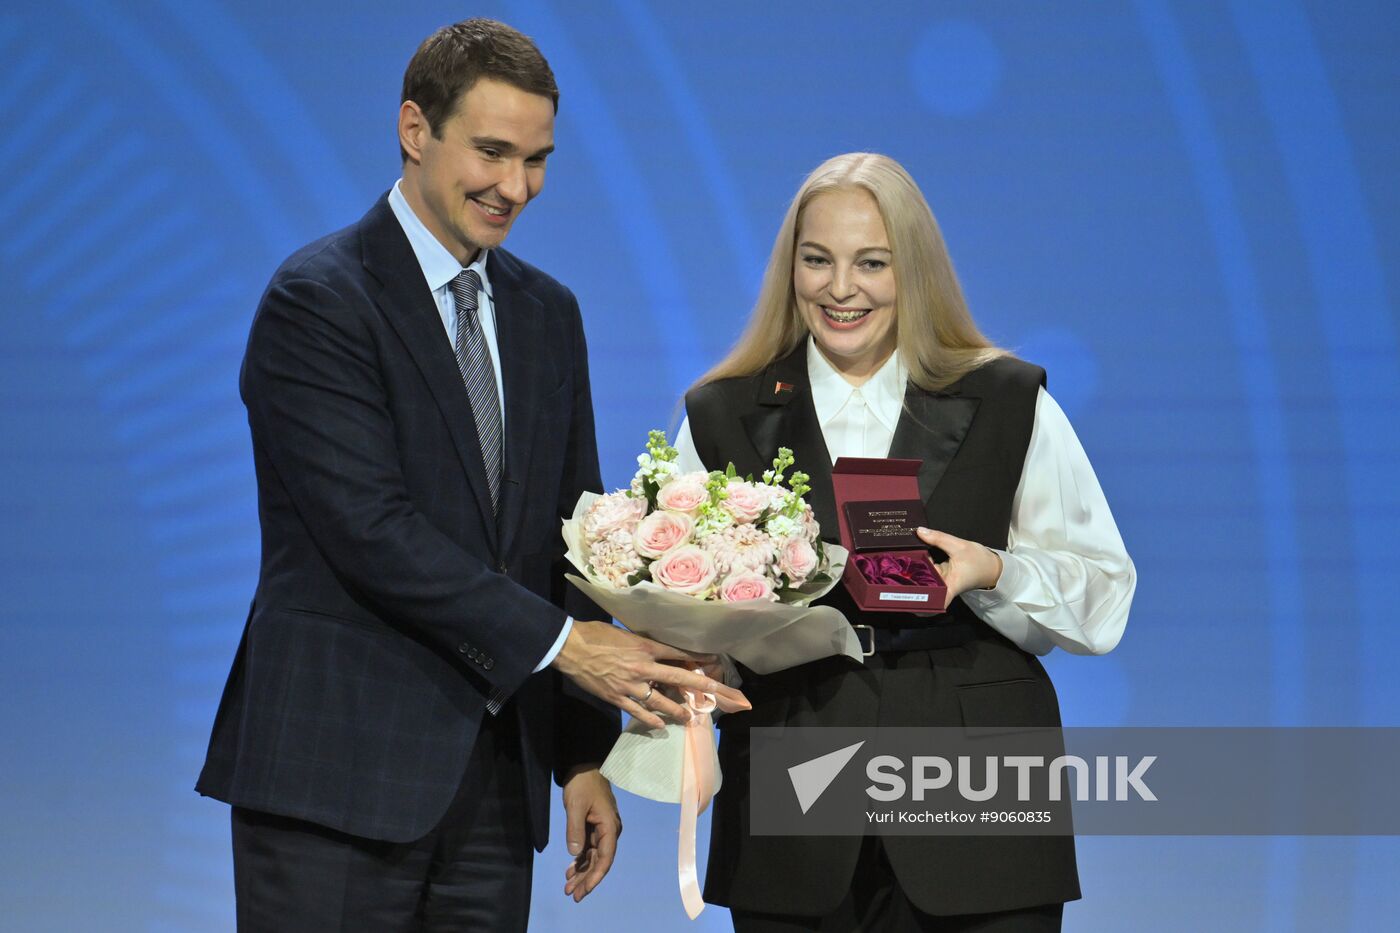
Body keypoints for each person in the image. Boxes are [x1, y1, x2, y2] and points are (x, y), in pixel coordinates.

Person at [196, 19, 738, 931]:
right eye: (491, 151)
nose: (515, 187)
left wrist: (578, 757)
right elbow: (371, 531)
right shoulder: (319, 300)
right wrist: (571, 651)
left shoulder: (546, 313)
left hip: (492, 789)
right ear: (416, 129)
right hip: (336, 778)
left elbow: (569, 543)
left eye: (537, 159)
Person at [675, 153, 1136, 932]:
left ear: (914, 270)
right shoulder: (719, 413)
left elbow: (1104, 594)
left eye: (872, 263)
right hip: (793, 793)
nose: (841, 288)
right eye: (816, 260)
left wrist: (996, 569)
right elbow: (670, 601)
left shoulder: (1007, 398)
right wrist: (701, 651)